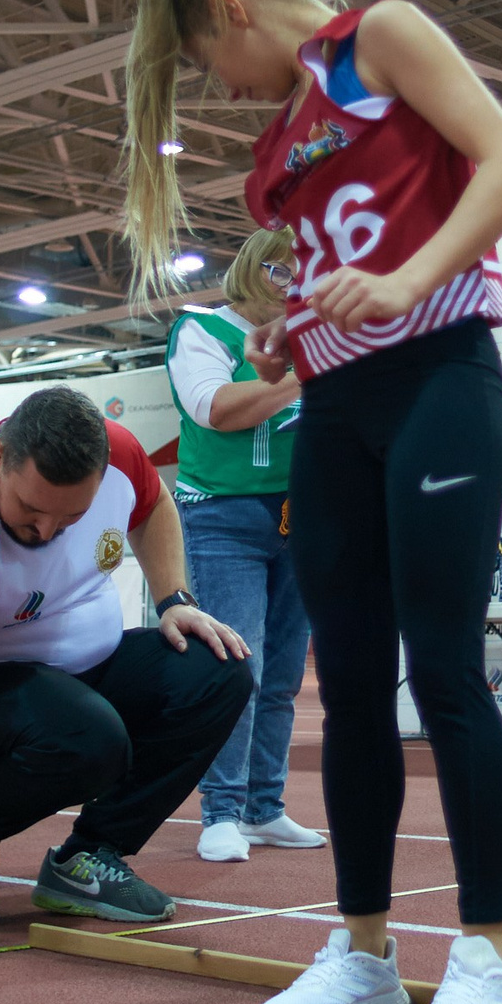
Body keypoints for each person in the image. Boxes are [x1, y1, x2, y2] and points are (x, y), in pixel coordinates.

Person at [121, 0, 502, 1004]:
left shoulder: (380, 38)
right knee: (348, 691)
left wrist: (407, 280)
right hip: (337, 412)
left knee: (443, 670)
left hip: (440, 380)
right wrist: (289, 332)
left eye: (206, 60)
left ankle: (493, 961)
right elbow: (336, 266)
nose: (219, 88)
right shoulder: (282, 143)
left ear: (232, 6)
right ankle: (364, 951)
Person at [0, 387, 251, 932]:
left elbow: (153, 504)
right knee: (89, 736)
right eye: (31, 509)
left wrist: (174, 598)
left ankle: (89, 855)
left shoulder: (116, 454)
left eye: (71, 515)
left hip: (77, 677)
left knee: (217, 669)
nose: (46, 531)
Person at [166, 229, 325, 862]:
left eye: (304, 273)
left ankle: (264, 807)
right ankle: (222, 811)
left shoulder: (311, 337)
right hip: (222, 516)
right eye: (284, 271)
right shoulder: (201, 328)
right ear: (257, 269)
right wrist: (308, 374)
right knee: (240, 669)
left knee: (282, 677)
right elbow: (216, 408)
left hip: (302, 514)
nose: (295, 285)